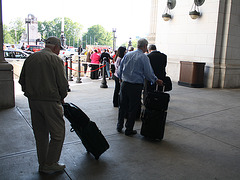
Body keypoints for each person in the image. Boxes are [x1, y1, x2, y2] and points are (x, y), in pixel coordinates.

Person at [19, 37, 69, 174]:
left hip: (33, 101)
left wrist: (30, 94)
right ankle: (51, 162)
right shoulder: (55, 60)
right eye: (59, 49)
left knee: (40, 134)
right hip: (51, 101)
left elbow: (21, 80)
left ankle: (43, 163)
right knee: (58, 133)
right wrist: (62, 97)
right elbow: (62, 84)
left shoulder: (31, 58)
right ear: (56, 47)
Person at [117, 38, 163, 136]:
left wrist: (121, 79)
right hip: (135, 86)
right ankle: (129, 129)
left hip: (125, 84)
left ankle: (119, 126)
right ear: (145, 46)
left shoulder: (128, 55)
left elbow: (120, 69)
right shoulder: (144, 57)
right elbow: (148, 72)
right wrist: (155, 80)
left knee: (122, 106)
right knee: (133, 108)